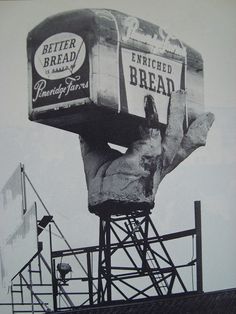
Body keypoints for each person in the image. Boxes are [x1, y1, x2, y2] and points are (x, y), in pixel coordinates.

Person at [79, 90, 214, 215]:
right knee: (156, 152)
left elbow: (175, 138)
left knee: (159, 150)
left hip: (99, 191)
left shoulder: (159, 162)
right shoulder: (156, 164)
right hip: (131, 188)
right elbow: (177, 140)